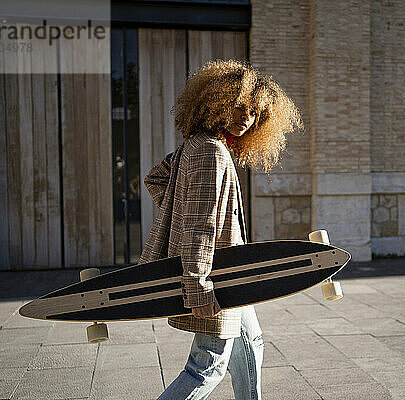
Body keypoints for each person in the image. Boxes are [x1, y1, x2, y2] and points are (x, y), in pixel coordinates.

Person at [138, 59, 303, 400]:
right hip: (217, 276)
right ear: (217, 102)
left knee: (251, 344)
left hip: (231, 273)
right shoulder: (211, 152)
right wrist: (197, 284)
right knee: (206, 365)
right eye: (239, 106)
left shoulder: (197, 145)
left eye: (256, 112)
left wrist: (178, 211)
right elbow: (200, 226)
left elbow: (157, 180)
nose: (247, 117)